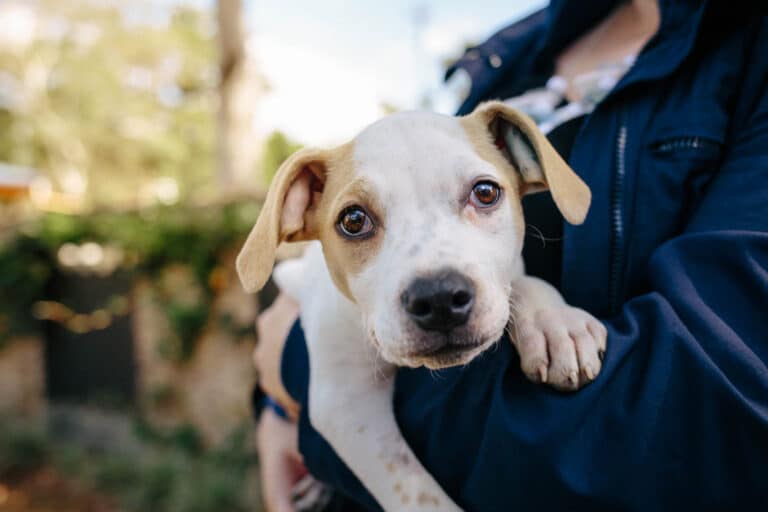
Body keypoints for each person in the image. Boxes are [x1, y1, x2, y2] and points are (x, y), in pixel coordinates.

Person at [254, 0, 768, 510]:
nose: (436, 284)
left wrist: (291, 366)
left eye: (482, 195)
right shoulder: (506, 55)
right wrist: (275, 406)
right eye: (356, 221)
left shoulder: (747, 51)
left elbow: (715, 404)